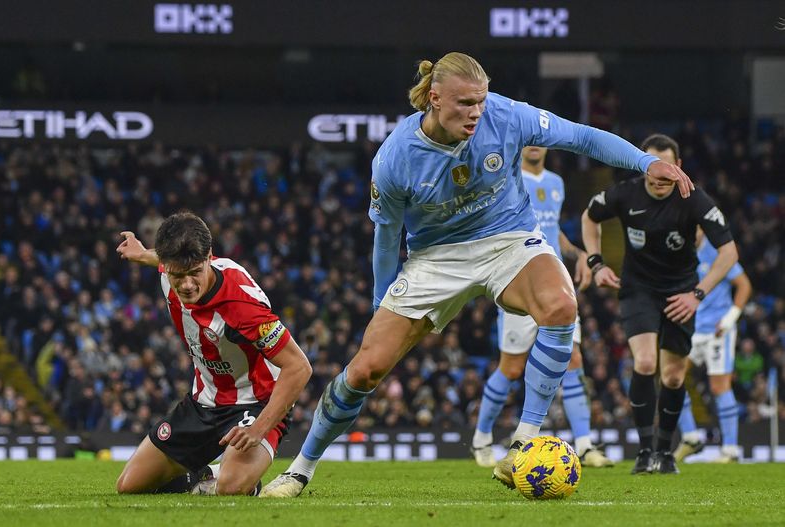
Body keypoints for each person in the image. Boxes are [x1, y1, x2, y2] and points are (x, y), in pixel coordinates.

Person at [262, 52, 693, 497]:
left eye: (481, 101)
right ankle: (300, 468)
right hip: (435, 257)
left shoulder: (506, 115)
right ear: (433, 98)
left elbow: (580, 136)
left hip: (508, 238)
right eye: (465, 103)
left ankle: (523, 442)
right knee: (364, 371)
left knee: (562, 305)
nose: (476, 113)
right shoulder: (395, 158)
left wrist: (644, 162)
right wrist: (379, 303)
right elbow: (387, 237)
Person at [114, 212, 312, 495]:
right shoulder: (171, 268)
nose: (186, 285)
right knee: (130, 486)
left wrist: (259, 428)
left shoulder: (241, 306)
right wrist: (143, 253)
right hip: (203, 402)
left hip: (255, 403)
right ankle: (203, 476)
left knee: (231, 487)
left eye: (195, 273)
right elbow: (164, 260)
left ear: (209, 257)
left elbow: (299, 367)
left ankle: (237, 478)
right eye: (177, 275)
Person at [581, 134, 738, 475]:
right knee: (646, 362)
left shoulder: (694, 199)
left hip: (681, 293)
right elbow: (589, 218)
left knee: (672, 375)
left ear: (678, 167)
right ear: (644, 166)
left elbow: (729, 253)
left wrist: (697, 295)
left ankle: (665, 453)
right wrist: (596, 263)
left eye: (669, 173)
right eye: (656, 172)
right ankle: (644, 450)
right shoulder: (624, 193)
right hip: (638, 289)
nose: (662, 180)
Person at [471, 146, 614, 469]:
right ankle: (481, 438)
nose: (534, 145)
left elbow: (552, 229)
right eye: (528, 140)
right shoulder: (506, 179)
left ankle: (585, 445)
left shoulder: (556, 183)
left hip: (556, 282)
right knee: (510, 368)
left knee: (574, 359)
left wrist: (577, 254)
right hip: (520, 280)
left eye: (539, 140)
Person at [674, 229, 751, 463]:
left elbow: (744, 285)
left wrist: (729, 319)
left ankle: (730, 450)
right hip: (694, 329)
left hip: (719, 331)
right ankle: (690, 438)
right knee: (671, 377)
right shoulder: (682, 251)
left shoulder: (718, 251)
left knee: (719, 387)